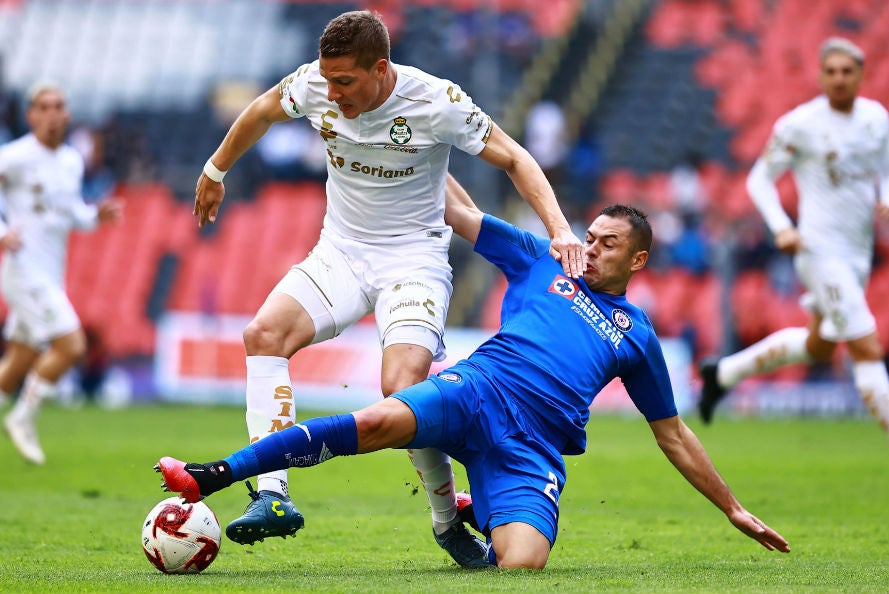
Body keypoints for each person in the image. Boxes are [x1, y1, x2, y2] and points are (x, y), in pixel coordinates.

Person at [156, 185, 790, 570]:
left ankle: (479, 507)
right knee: (381, 419)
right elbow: (459, 212)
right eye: (589, 237)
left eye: (607, 244)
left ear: (638, 258)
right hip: (478, 390)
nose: (589, 248)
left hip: (531, 449)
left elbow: (673, 433)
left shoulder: (638, 334)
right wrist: (422, 134)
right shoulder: (543, 259)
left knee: (521, 563)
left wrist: (733, 509)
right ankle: (216, 474)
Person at [191, 10, 584, 567]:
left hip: (414, 259)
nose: (331, 93)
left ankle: (448, 524)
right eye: (327, 80)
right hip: (341, 252)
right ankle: (273, 495)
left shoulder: (436, 102)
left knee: (402, 388)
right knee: (263, 335)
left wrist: (560, 230)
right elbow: (259, 111)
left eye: (345, 82)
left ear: (381, 69)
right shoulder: (315, 85)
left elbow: (515, 157)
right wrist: (215, 170)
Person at [698, 37, 889, 430]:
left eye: (847, 71)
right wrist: (782, 227)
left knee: (819, 347)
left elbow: (883, 170)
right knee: (866, 349)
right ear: (820, 75)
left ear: (861, 75)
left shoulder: (876, 119)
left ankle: (723, 373)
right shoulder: (799, 125)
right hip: (819, 251)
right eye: (831, 71)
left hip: (857, 252)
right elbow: (759, 180)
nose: (839, 79)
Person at [0, 83, 123, 464]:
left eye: (58, 107)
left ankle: (16, 406)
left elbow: (71, 215)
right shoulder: (16, 155)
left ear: (67, 115)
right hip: (22, 271)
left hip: (51, 273)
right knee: (72, 346)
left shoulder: (71, 160)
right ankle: (23, 416)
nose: (52, 114)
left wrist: (94, 217)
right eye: (44, 107)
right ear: (31, 115)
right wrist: (3, 232)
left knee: (18, 360)